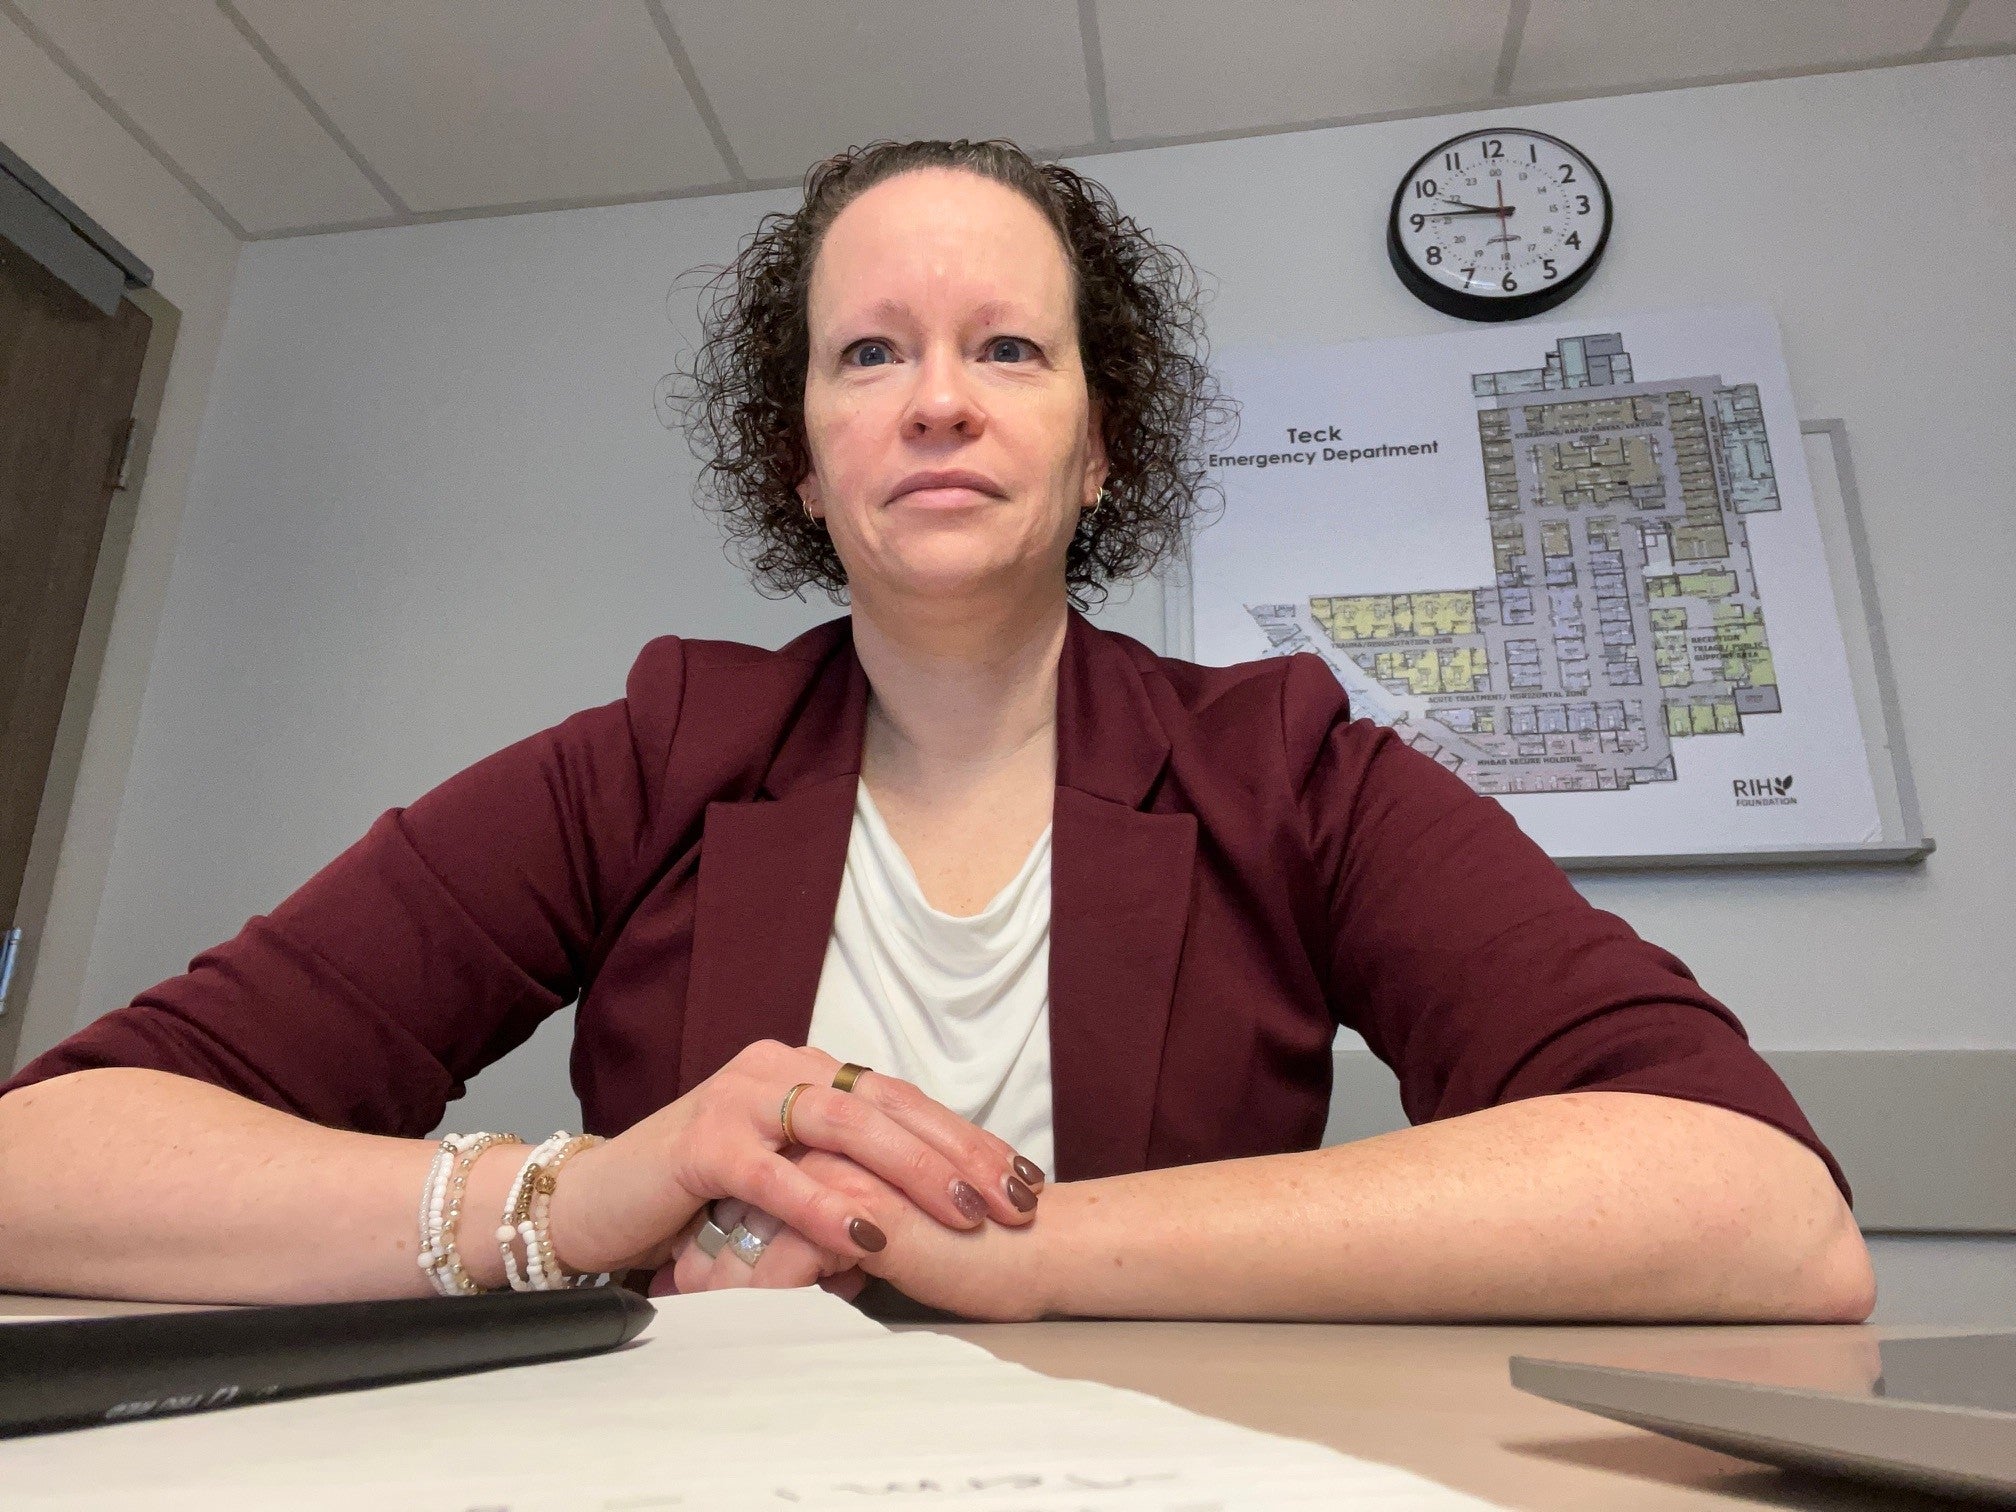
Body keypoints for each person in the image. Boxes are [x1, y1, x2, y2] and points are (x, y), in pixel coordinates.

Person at [0, 140, 1873, 1323]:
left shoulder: (1290, 764)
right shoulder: (646, 756)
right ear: (802, 459)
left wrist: (1007, 1253)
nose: (938, 403)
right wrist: (578, 1194)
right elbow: (50, 1159)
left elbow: (1760, 1211)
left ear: (1101, 440)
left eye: (1011, 349)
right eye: (870, 353)